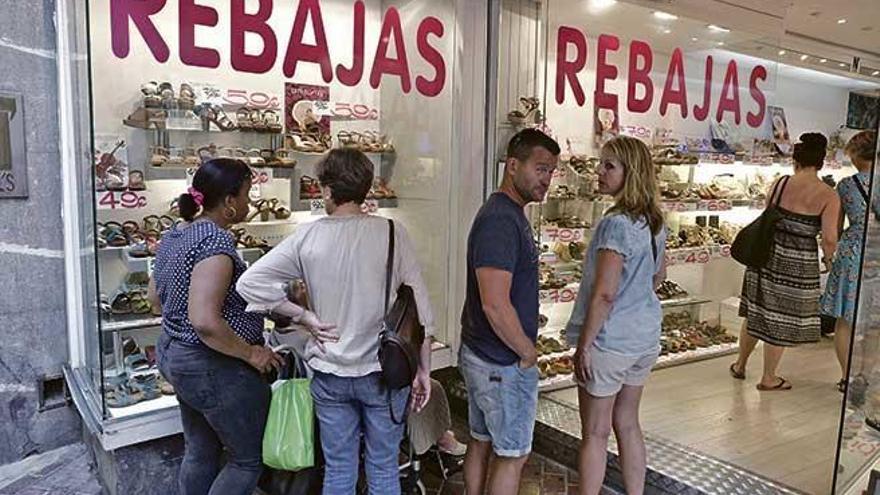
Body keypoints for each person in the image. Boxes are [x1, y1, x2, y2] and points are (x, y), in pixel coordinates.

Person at [236, 148, 434, 495]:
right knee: (384, 468)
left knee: (339, 470)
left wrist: (304, 316)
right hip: (384, 372)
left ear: (327, 190)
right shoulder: (391, 232)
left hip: (329, 371)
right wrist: (423, 371)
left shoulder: (308, 236)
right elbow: (420, 309)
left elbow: (248, 283)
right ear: (366, 188)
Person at [147, 158, 331, 495]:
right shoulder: (215, 245)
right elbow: (204, 321)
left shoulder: (175, 234)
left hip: (177, 357)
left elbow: (155, 300)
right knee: (247, 460)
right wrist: (251, 353)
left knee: (201, 451)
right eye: (247, 195)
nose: (249, 203)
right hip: (213, 367)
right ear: (230, 202)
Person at [459, 128, 560, 495]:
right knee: (512, 455)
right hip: (500, 361)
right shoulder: (501, 220)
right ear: (513, 165)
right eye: (540, 168)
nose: (546, 179)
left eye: (551, 171)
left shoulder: (507, 214)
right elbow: (495, 304)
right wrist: (527, 351)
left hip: (485, 354)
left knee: (481, 440)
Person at [564, 136, 666, 495]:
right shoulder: (654, 221)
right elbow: (659, 277)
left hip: (610, 341)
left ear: (630, 172)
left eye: (610, 165)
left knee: (594, 432)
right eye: (601, 163)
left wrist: (584, 346)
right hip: (644, 338)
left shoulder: (616, 224)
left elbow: (604, 293)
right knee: (627, 423)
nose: (600, 172)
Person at [730, 133, 840, 391]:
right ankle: (769, 377)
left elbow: (769, 215)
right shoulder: (828, 195)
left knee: (756, 312)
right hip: (798, 262)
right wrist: (829, 260)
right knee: (781, 318)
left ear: (796, 160)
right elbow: (830, 238)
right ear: (821, 162)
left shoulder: (780, 183)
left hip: (765, 254)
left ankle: (740, 364)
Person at [821, 131, 878, 392]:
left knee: (846, 318)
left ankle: (847, 377)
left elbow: (834, 226)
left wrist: (829, 256)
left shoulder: (845, 185)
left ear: (855, 154)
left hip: (852, 251)